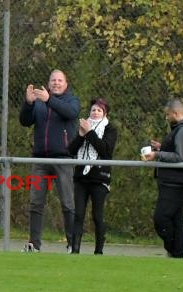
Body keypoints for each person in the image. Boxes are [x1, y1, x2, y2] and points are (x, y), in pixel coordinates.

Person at [19, 69, 80, 253]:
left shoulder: (71, 100)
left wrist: (49, 100)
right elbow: (25, 121)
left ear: (66, 84)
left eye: (60, 80)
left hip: (63, 159)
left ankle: (72, 245)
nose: (56, 83)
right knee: (36, 202)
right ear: (48, 82)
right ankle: (34, 244)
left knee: (68, 203)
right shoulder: (40, 102)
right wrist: (29, 104)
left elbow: (71, 113)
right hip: (40, 160)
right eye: (53, 80)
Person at [142, 99, 183, 258]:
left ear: (175, 113)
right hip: (174, 179)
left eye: (168, 115)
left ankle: (173, 247)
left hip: (176, 180)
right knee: (176, 218)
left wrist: (157, 154)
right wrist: (163, 147)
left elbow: (180, 156)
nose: (167, 118)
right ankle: (177, 254)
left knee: (161, 218)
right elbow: (179, 149)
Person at [67, 98, 118, 254]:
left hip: (99, 178)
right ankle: (75, 250)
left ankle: (99, 251)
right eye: (93, 110)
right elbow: (71, 150)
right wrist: (81, 135)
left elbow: (105, 150)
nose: (95, 112)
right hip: (81, 178)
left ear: (105, 113)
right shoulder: (83, 126)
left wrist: (90, 133)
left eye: (99, 110)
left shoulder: (110, 129)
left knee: (97, 215)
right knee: (78, 215)